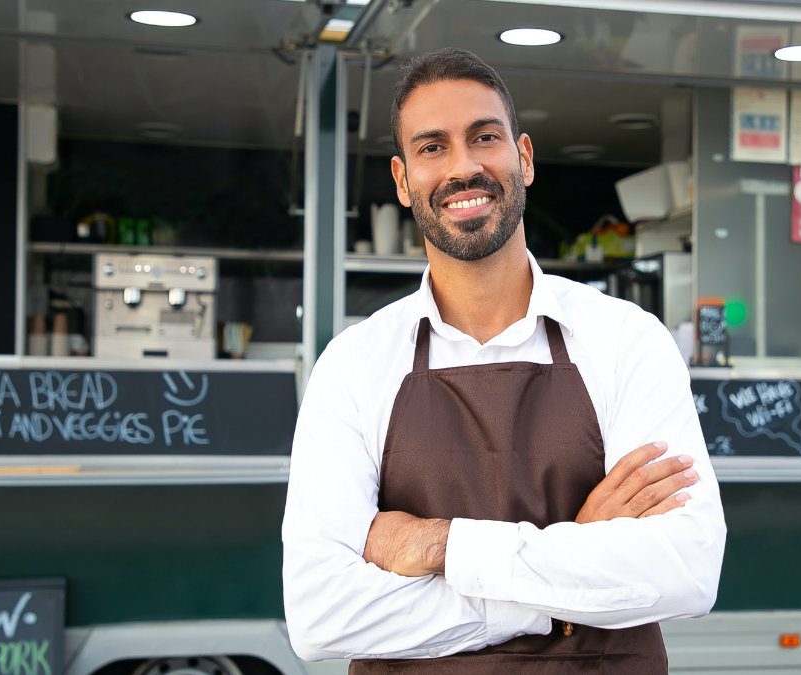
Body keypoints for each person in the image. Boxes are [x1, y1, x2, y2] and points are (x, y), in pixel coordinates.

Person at [282, 47, 726, 673]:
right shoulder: (353, 366)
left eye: (483, 138)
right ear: (404, 181)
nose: (463, 167)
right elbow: (320, 615)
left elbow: (686, 569)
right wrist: (562, 591)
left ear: (523, 157)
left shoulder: (627, 340)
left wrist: (438, 546)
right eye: (432, 147)